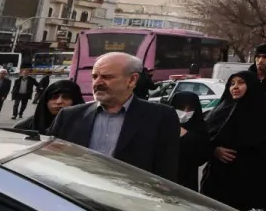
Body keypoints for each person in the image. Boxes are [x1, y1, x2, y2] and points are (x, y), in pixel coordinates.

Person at [50, 53, 180, 181]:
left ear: (132, 80)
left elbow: (165, 175)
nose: (98, 83)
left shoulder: (161, 117)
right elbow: (52, 163)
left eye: (107, 77)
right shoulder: (68, 116)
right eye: (95, 76)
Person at [201, 68, 266, 211]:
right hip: (219, 177)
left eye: (241, 83)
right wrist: (214, 150)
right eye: (232, 83)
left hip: (252, 178)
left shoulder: (265, 113)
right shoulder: (221, 109)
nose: (235, 87)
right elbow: (204, 137)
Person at [170, 90, 211, 191]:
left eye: (190, 109)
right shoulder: (164, 124)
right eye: (181, 108)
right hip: (162, 176)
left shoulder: (199, 128)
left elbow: (202, 156)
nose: (185, 112)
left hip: (187, 180)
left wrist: (187, 136)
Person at [15, 78, 83, 135]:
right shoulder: (23, 128)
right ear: (46, 101)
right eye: (54, 97)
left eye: (66, 97)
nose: (59, 102)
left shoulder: (87, 127)